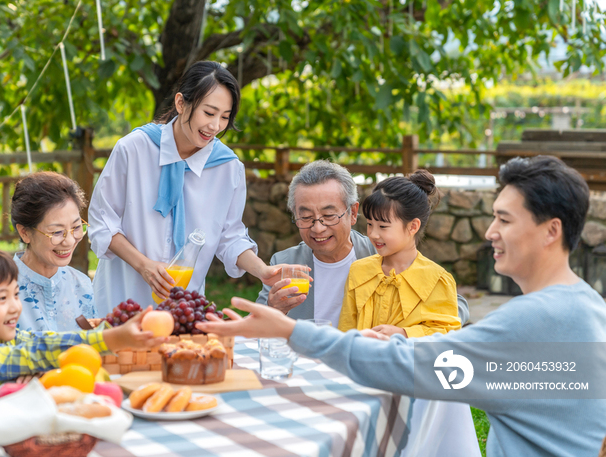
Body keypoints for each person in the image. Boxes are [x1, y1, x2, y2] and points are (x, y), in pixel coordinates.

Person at [198, 156, 606, 456]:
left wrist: (290, 331)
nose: (489, 231)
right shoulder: (588, 308)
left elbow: (414, 364)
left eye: (504, 219)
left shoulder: (530, 323)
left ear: (551, 231)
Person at [89, 61, 284, 317]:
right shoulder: (133, 149)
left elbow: (230, 237)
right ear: (181, 103)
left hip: (184, 309)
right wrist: (144, 265)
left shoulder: (228, 168)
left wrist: (263, 271)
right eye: (209, 113)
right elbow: (103, 223)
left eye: (225, 117)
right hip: (122, 301)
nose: (215, 126)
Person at [0, 240, 166, 417]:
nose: (16, 307)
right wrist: (112, 338)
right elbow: (34, 354)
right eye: (1, 299)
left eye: (15, 295)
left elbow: (44, 341)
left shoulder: (4, 338)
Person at [255, 160, 470, 328]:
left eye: (329, 215)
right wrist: (274, 309)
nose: (317, 228)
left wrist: (407, 330)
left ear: (353, 213)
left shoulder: (380, 254)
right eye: (306, 217)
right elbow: (253, 325)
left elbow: (455, 305)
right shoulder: (285, 263)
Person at [338, 170, 461, 337]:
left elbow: (447, 333)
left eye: (383, 226)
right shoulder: (358, 271)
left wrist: (404, 333)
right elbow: (346, 330)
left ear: (413, 226)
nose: (373, 234)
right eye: (369, 224)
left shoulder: (437, 280)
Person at [11, 172, 97, 332]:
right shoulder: (0, 288)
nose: (70, 241)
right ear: (25, 232)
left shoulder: (82, 286)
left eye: (76, 227)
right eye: (57, 232)